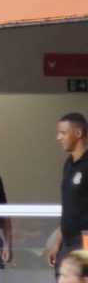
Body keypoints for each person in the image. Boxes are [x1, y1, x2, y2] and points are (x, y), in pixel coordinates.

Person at [49, 113, 88, 268]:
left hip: (85, 240)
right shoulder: (69, 163)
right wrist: (57, 244)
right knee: (63, 276)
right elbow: (69, 207)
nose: (59, 137)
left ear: (78, 133)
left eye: (63, 133)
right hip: (68, 241)